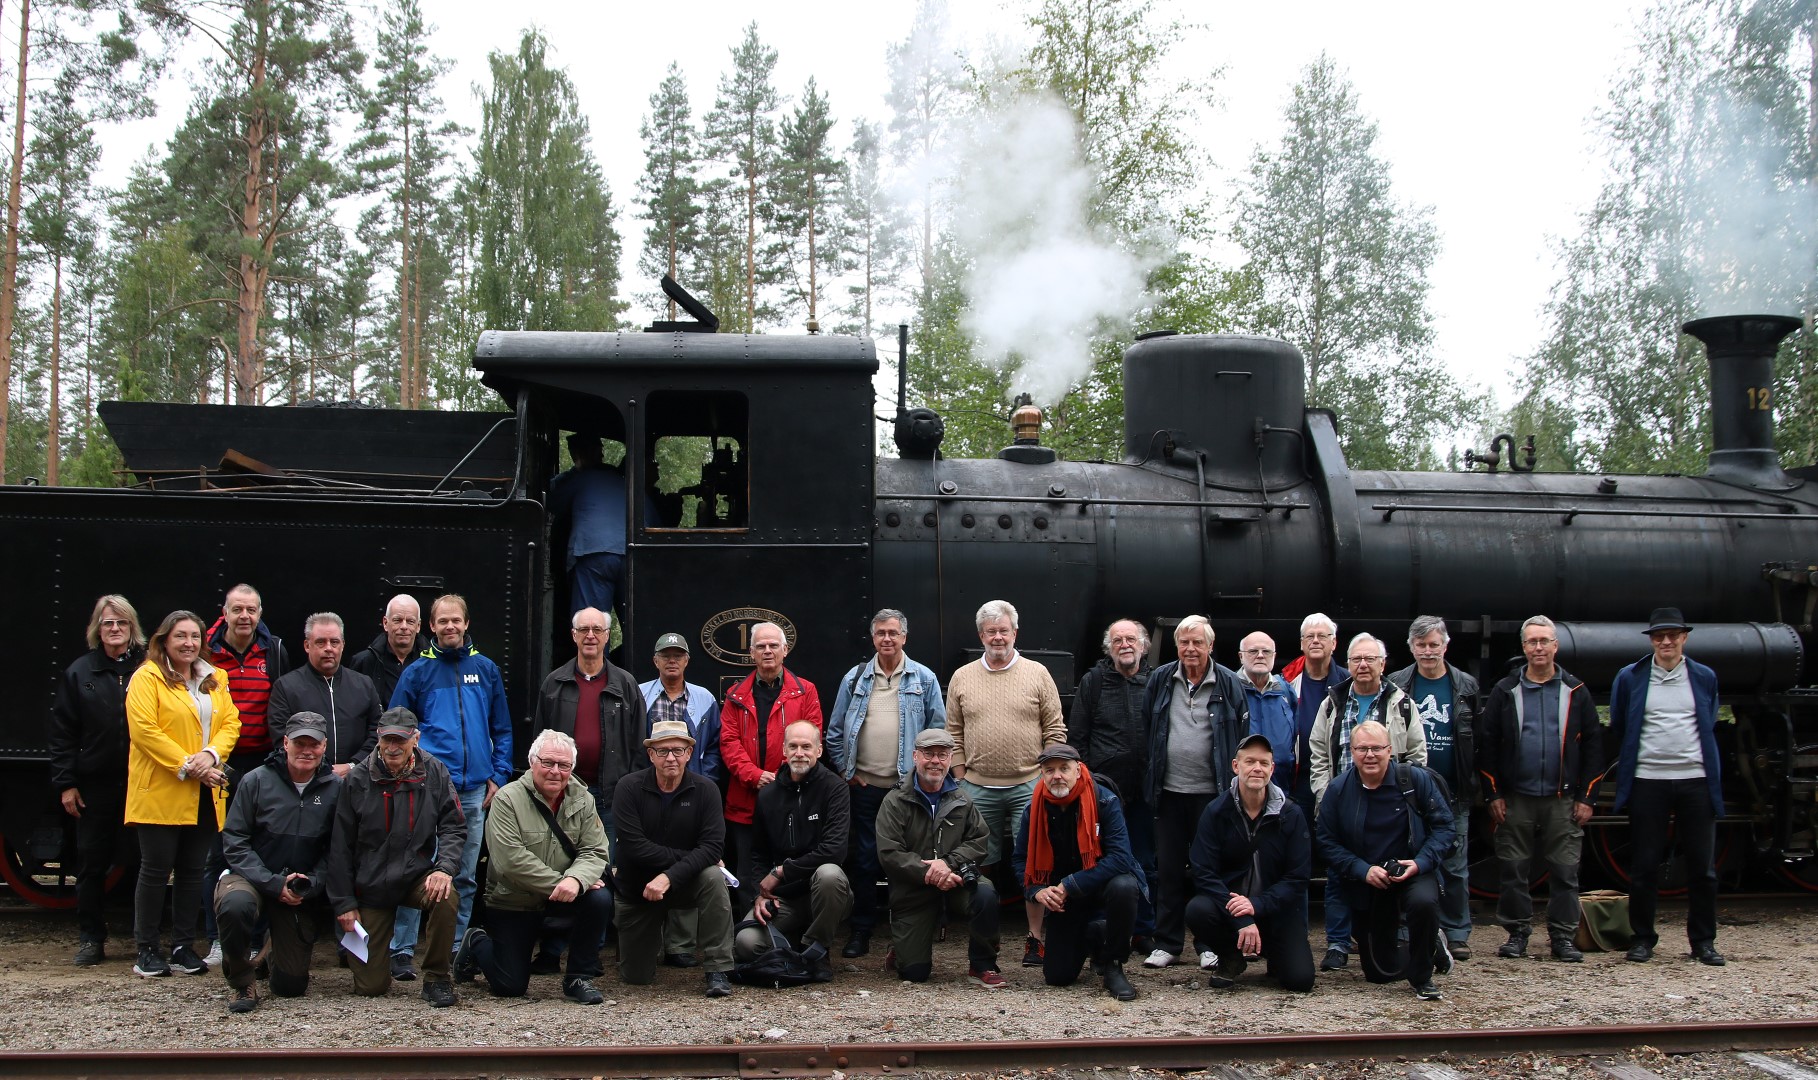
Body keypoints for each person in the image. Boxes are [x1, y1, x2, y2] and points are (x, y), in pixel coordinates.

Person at [386, 593, 512, 981]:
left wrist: (499, 774)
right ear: (432, 627)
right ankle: (402, 949)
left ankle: (456, 949)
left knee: (464, 873)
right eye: (443, 622)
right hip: (427, 789)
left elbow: (501, 728)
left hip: (474, 789)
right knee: (416, 869)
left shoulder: (486, 669)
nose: (450, 627)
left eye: (456, 620)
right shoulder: (417, 673)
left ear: (467, 623)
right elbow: (397, 728)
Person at [946, 599, 1065, 968]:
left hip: (1028, 784)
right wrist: (962, 776)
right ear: (981, 635)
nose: (998, 637)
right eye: (991, 631)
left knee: (1034, 863)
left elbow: (1055, 729)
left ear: (1015, 633)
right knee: (979, 864)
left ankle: (1035, 939)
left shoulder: (1038, 673)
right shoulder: (962, 677)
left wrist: (1046, 777)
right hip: (977, 788)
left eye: (1004, 630)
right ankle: (987, 940)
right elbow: (954, 732)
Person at [456, 730, 613, 1004]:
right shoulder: (507, 799)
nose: (555, 771)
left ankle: (579, 977)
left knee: (599, 897)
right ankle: (477, 941)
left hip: (565, 894)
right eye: (548, 763)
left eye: (564, 765)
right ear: (532, 762)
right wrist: (560, 884)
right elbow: (509, 861)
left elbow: (595, 851)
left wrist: (576, 881)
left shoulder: (583, 798)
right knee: (510, 987)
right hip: (514, 900)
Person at [124, 610, 241, 978]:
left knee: (192, 871)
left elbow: (230, 722)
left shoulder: (214, 678)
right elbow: (145, 731)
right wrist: (191, 765)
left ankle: (182, 946)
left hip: (204, 793)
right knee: (156, 871)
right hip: (162, 789)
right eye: (180, 636)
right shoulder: (147, 677)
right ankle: (146, 949)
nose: (188, 643)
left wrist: (210, 756)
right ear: (164, 640)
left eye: (194, 637)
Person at [826, 608, 947, 959]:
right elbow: (835, 732)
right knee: (864, 860)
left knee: (909, 861)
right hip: (865, 789)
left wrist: (922, 777)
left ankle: (907, 932)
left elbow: (937, 733)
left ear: (904, 637)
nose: (887, 639)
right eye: (881, 633)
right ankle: (861, 931)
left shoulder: (923, 679)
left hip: (906, 790)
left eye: (893, 633)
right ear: (873, 637)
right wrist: (848, 772)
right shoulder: (855, 678)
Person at [1480, 615, 1601, 962]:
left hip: (1563, 799)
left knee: (1565, 871)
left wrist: (1587, 797)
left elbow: (1594, 745)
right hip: (1516, 798)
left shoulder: (1576, 691)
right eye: (1532, 641)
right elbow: (1487, 744)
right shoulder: (1506, 690)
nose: (1538, 647)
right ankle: (1517, 932)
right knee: (1514, 869)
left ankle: (1562, 936)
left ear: (1555, 645)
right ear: (1524, 647)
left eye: (1544, 641)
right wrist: (1493, 793)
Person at [1608, 607, 1725, 966]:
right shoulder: (1630, 677)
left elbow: (1710, 722)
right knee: (1644, 864)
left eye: (1673, 634)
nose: (1667, 641)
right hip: (1649, 781)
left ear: (1684, 638)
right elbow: (1619, 723)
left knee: (1702, 868)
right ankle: (1643, 938)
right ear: (1652, 640)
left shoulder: (1704, 677)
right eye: (1660, 636)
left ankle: (1703, 941)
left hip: (1695, 781)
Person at [325, 708, 465, 1007]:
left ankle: (437, 978)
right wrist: (345, 903)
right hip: (371, 884)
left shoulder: (436, 771)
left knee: (446, 895)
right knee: (370, 987)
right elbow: (340, 847)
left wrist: (444, 868)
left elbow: (454, 826)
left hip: (415, 875)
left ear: (415, 739)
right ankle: (374, 962)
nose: (392, 747)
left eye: (400, 741)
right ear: (378, 738)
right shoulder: (358, 779)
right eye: (387, 739)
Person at [1307, 632, 1425, 971]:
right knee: (1339, 874)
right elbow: (1317, 753)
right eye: (1356, 659)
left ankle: (1392, 939)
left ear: (1382, 663)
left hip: (1390, 804)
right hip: (1342, 803)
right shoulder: (1332, 702)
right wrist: (1324, 795)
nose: (1362, 665)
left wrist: (1408, 796)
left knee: (1392, 871)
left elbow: (1417, 753)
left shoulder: (1401, 703)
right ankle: (1338, 943)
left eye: (1370, 659)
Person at [1138, 615, 1248, 971]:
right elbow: (1148, 727)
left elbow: (1241, 738)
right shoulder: (1160, 679)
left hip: (1212, 796)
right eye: (1184, 642)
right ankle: (1168, 943)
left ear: (1210, 645)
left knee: (1208, 870)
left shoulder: (1229, 683)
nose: (1190, 649)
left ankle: (1208, 943)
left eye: (1197, 642)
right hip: (1168, 793)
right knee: (1167, 870)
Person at [1316, 720, 1456, 1001]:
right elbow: (1325, 842)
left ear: (1390, 750)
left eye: (1377, 748)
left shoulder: (1415, 780)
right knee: (1380, 971)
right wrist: (1362, 870)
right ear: (1352, 752)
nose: (1370, 755)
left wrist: (1420, 863)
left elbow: (1445, 828)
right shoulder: (1339, 790)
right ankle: (1430, 946)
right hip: (1368, 879)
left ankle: (1422, 978)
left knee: (1423, 903)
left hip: (1414, 869)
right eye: (1362, 749)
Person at [213, 716, 340, 1013]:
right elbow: (235, 840)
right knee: (235, 905)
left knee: (289, 987)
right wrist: (271, 882)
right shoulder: (255, 780)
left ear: (324, 746)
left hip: (300, 887)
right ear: (285, 743)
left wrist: (311, 883)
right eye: (299, 743)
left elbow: (338, 850)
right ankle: (242, 980)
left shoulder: (336, 788)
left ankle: (272, 952)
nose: (306, 750)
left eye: (314, 744)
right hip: (251, 876)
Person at [49, 594, 145, 966]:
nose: (115, 629)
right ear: (97, 629)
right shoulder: (80, 673)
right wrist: (67, 782)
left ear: (132, 627)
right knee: (90, 863)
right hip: (96, 785)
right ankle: (91, 937)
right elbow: (63, 733)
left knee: (142, 862)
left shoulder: (147, 669)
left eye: (122, 622)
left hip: (141, 783)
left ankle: (144, 939)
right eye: (108, 623)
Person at [612, 719, 737, 997]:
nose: (671, 757)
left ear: (689, 754)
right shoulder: (628, 788)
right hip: (639, 889)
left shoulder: (706, 790)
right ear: (651, 754)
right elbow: (634, 848)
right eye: (663, 751)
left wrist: (669, 876)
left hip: (685, 882)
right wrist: (694, 858)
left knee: (713, 876)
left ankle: (718, 969)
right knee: (636, 978)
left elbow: (714, 848)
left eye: (678, 751)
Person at [1010, 744, 1144, 1001]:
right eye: (1049, 770)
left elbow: (1120, 858)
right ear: (1042, 775)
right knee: (1057, 977)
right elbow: (1020, 860)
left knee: (1125, 886)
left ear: (1079, 770)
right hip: (1064, 898)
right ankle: (1095, 937)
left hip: (1100, 884)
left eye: (1064, 769)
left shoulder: (1104, 800)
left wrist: (1070, 884)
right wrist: (1037, 891)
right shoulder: (1034, 808)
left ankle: (1113, 963)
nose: (1056, 776)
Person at [1185, 733, 1315, 993]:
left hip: (1276, 910)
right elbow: (1204, 872)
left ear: (1272, 769)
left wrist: (1256, 905)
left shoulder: (1291, 814)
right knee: (1197, 910)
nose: (1257, 768)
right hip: (1229, 911)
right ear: (1236, 766)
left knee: (1299, 981)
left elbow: (1297, 877)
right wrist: (1242, 918)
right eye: (1250, 762)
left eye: (1264, 763)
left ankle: (1275, 955)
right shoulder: (1216, 811)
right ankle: (1231, 957)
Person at [874, 728, 1003, 987]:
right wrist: (930, 874)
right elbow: (889, 852)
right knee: (914, 973)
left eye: (942, 755)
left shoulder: (962, 798)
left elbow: (979, 840)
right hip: (914, 888)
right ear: (915, 756)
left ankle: (982, 965)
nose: (935, 761)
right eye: (928, 754)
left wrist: (948, 864)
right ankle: (902, 950)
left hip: (956, 880)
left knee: (986, 894)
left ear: (950, 759)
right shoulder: (895, 800)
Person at [1386, 615, 1480, 959]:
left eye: (1434, 644)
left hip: (1452, 788)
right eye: (1421, 645)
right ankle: (1407, 928)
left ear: (1445, 645)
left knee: (1454, 865)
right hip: (1409, 792)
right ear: (1411, 647)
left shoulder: (1466, 686)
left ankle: (1456, 931)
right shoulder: (1396, 684)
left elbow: (1476, 740)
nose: (1428, 651)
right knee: (1406, 860)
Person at [1065, 618, 1157, 951]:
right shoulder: (1094, 681)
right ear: (1109, 647)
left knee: (1145, 860)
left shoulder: (1155, 681)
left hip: (1145, 789)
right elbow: (1078, 736)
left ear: (1143, 645)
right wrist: (1089, 785)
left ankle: (1143, 929)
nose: (1124, 645)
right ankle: (1104, 924)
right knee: (1101, 860)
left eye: (1130, 639)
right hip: (1104, 793)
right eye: (1117, 640)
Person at [736, 721, 852, 982]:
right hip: (784, 897)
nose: (800, 752)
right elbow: (758, 853)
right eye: (794, 746)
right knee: (746, 943)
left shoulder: (835, 789)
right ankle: (791, 941)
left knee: (830, 874)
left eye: (807, 746)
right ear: (784, 751)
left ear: (819, 751)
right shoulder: (768, 795)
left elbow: (834, 851)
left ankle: (817, 951)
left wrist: (782, 871)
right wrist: (759, 893)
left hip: (823, 893)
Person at [721, 621, 822, 914]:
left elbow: (810, 738)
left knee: (785, 868)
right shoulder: (734, 695)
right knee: (746, 872)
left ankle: (785, 932)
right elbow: (728, 743)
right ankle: (748, 934)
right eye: (761, 646)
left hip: (791, 798)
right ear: (751, 652)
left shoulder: (806, 692)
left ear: (784, 650)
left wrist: (780, 779)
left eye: (773, 645)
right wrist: (755, 776)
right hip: (745, 798)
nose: (767, 651)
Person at [638, 632, 723, 967]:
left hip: (690, 790)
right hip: (650, 789)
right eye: (665, 655)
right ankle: (650, 941)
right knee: (651, 856)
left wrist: (705, 783)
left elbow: (714, 746)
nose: (671, 661)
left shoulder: (704, 699)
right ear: (655, 660)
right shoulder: (640, 695)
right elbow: (635, 744)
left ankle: (682, 945)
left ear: (687, 660)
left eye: (678, 655)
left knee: (687, 857)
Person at [533, 607, 647, 829]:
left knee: (606, 861)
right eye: (584, 629)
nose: (590, 635)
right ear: (574, 635)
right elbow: (539, 741)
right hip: (563, 794)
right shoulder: (554, 684)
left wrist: (629, 789)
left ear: (607, 636)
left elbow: (640, 743)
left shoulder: (626, 685)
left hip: (612, 797)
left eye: (597, 629)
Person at [267, 613, 382, 775]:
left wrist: (353, 765)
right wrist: (319, 769)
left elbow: (377, 731)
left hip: (357, 779)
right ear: (307, 645)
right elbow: (281, 738)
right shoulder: (286, 687)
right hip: (306, 781)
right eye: (320, 642)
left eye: (334, 642)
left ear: (342, 645)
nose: (328, 648)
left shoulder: (364, 684)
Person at [548, 432, 629, 619]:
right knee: (636, 624)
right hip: (631, 551)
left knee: (591, 623)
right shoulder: (620, 479)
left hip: (593, 553)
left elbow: (551, 505)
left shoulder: (579, 479)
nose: (601, 455)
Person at [1236, 632, 1299, 794]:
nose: (1260, 656)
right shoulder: (1230, 689)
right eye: (1253, 651)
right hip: (1241, 786)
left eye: (1266, 651)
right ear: (1241, 656)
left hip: (1280, 785)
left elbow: (1294, 734)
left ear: (1274, 656)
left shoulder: (1285, 690)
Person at [346, 595, 426, 712]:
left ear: (418, 626)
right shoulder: (364, 662)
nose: (404, 626)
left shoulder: (431, 662)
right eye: (397, 620)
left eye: (410, 621)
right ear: (385, 623)